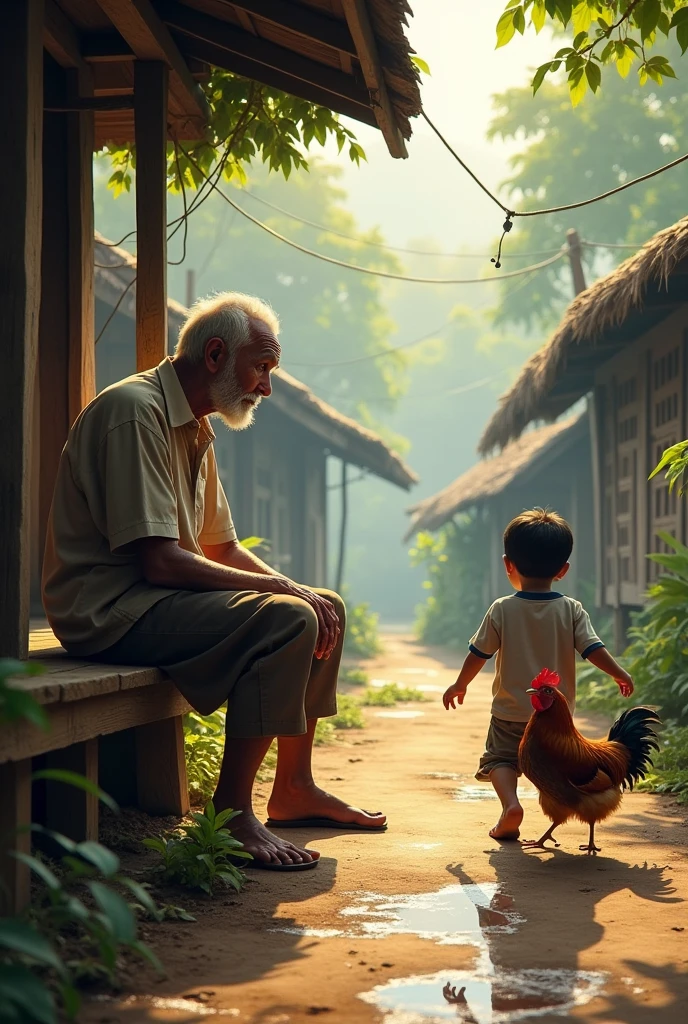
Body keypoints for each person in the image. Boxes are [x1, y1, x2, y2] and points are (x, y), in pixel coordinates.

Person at [42, 291, 386, 871]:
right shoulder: (136, 412)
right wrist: (286, 597)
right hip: (106, 611)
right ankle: (230, 814)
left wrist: (298, 589)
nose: (266, 388)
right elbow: (162, 560)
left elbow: (220, 546)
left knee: (322, 604)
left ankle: (294, 787)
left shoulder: (196, 427)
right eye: (261, 368)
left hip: (154, 602)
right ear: (216, 354)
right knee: (289, 616)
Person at [442, 508, 634, 841]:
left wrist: (460, 683)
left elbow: (479, 653)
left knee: (500, 758)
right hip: (553, 722)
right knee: (555, 767)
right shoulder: (571, 609)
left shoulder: (502, 608)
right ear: (563, 570)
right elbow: (593, 649)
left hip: (508, 711)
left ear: (508, 564)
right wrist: (619, 672)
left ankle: (510, 807)